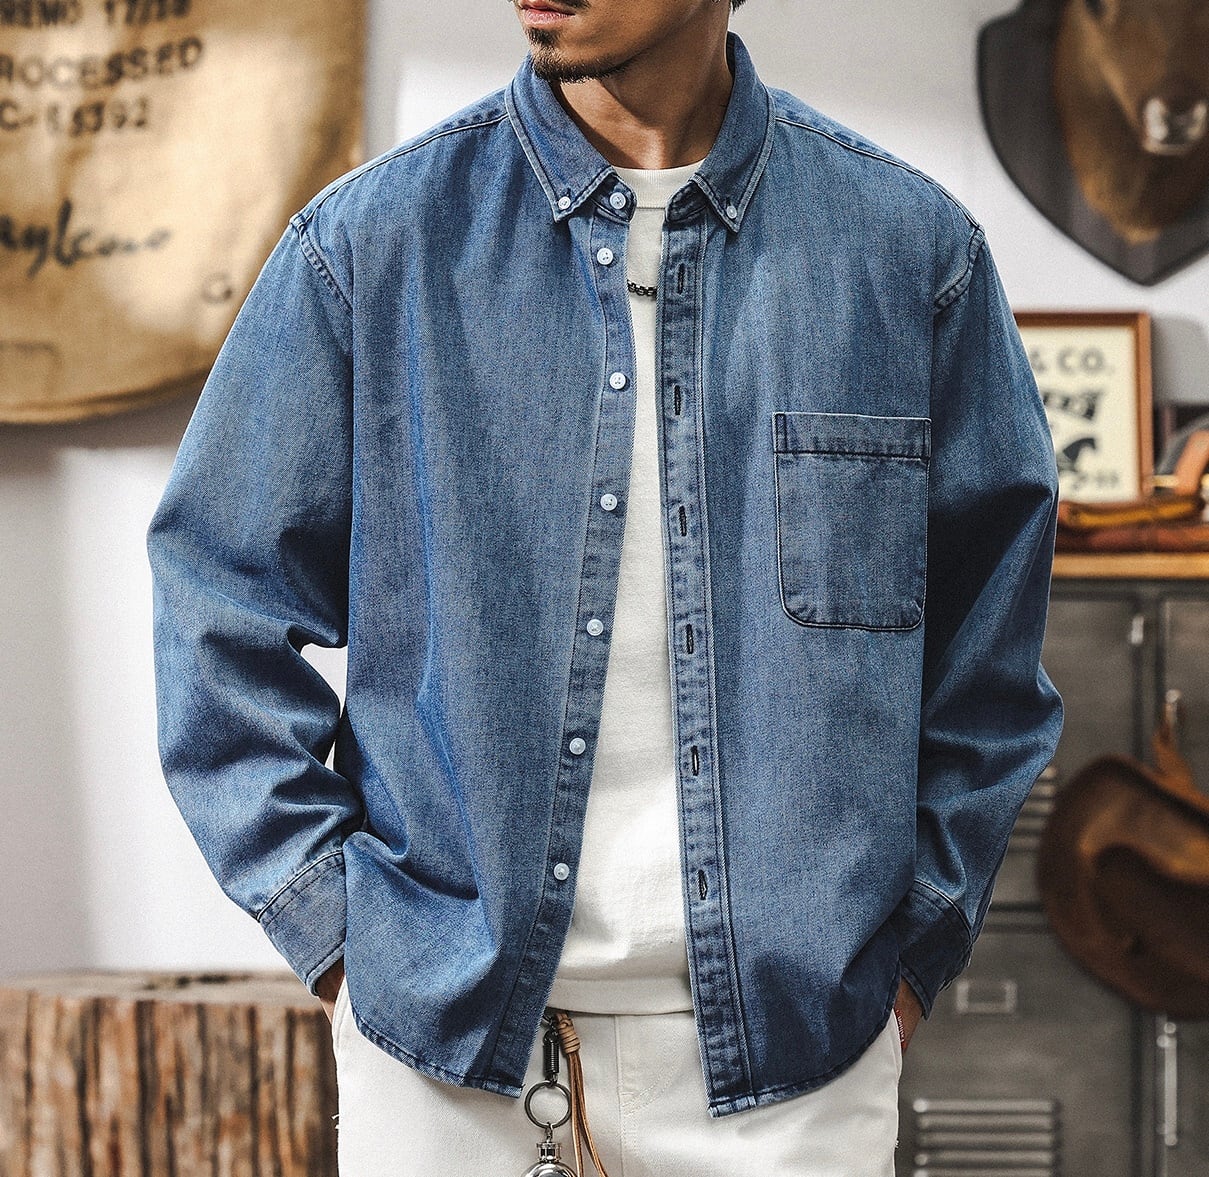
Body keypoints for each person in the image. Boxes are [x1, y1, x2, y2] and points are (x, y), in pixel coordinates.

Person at [147, 1, 1063, 1173]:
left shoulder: (907, 252)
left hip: (795, 1071)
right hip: (448, 1062)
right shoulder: (374, 244)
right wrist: (341, 941)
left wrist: (910, 966)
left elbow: (990, 670)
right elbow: (216, 606)